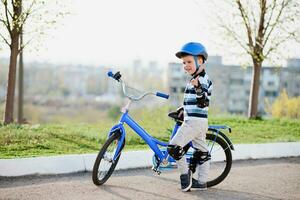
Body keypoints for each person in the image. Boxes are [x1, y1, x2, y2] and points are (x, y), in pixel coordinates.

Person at [167, 42, 213, 192]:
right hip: (199, 122)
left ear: (200, 61)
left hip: (193, 123)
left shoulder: (201, 80)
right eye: (183, 62)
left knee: (174, 147)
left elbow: (203, 100)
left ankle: (185, 175)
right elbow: (195, 103)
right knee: (202, 152)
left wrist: (198, 87)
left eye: (189, 62)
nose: (186, 65)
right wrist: (182, 109)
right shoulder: (198, 78)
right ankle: (201, 182)